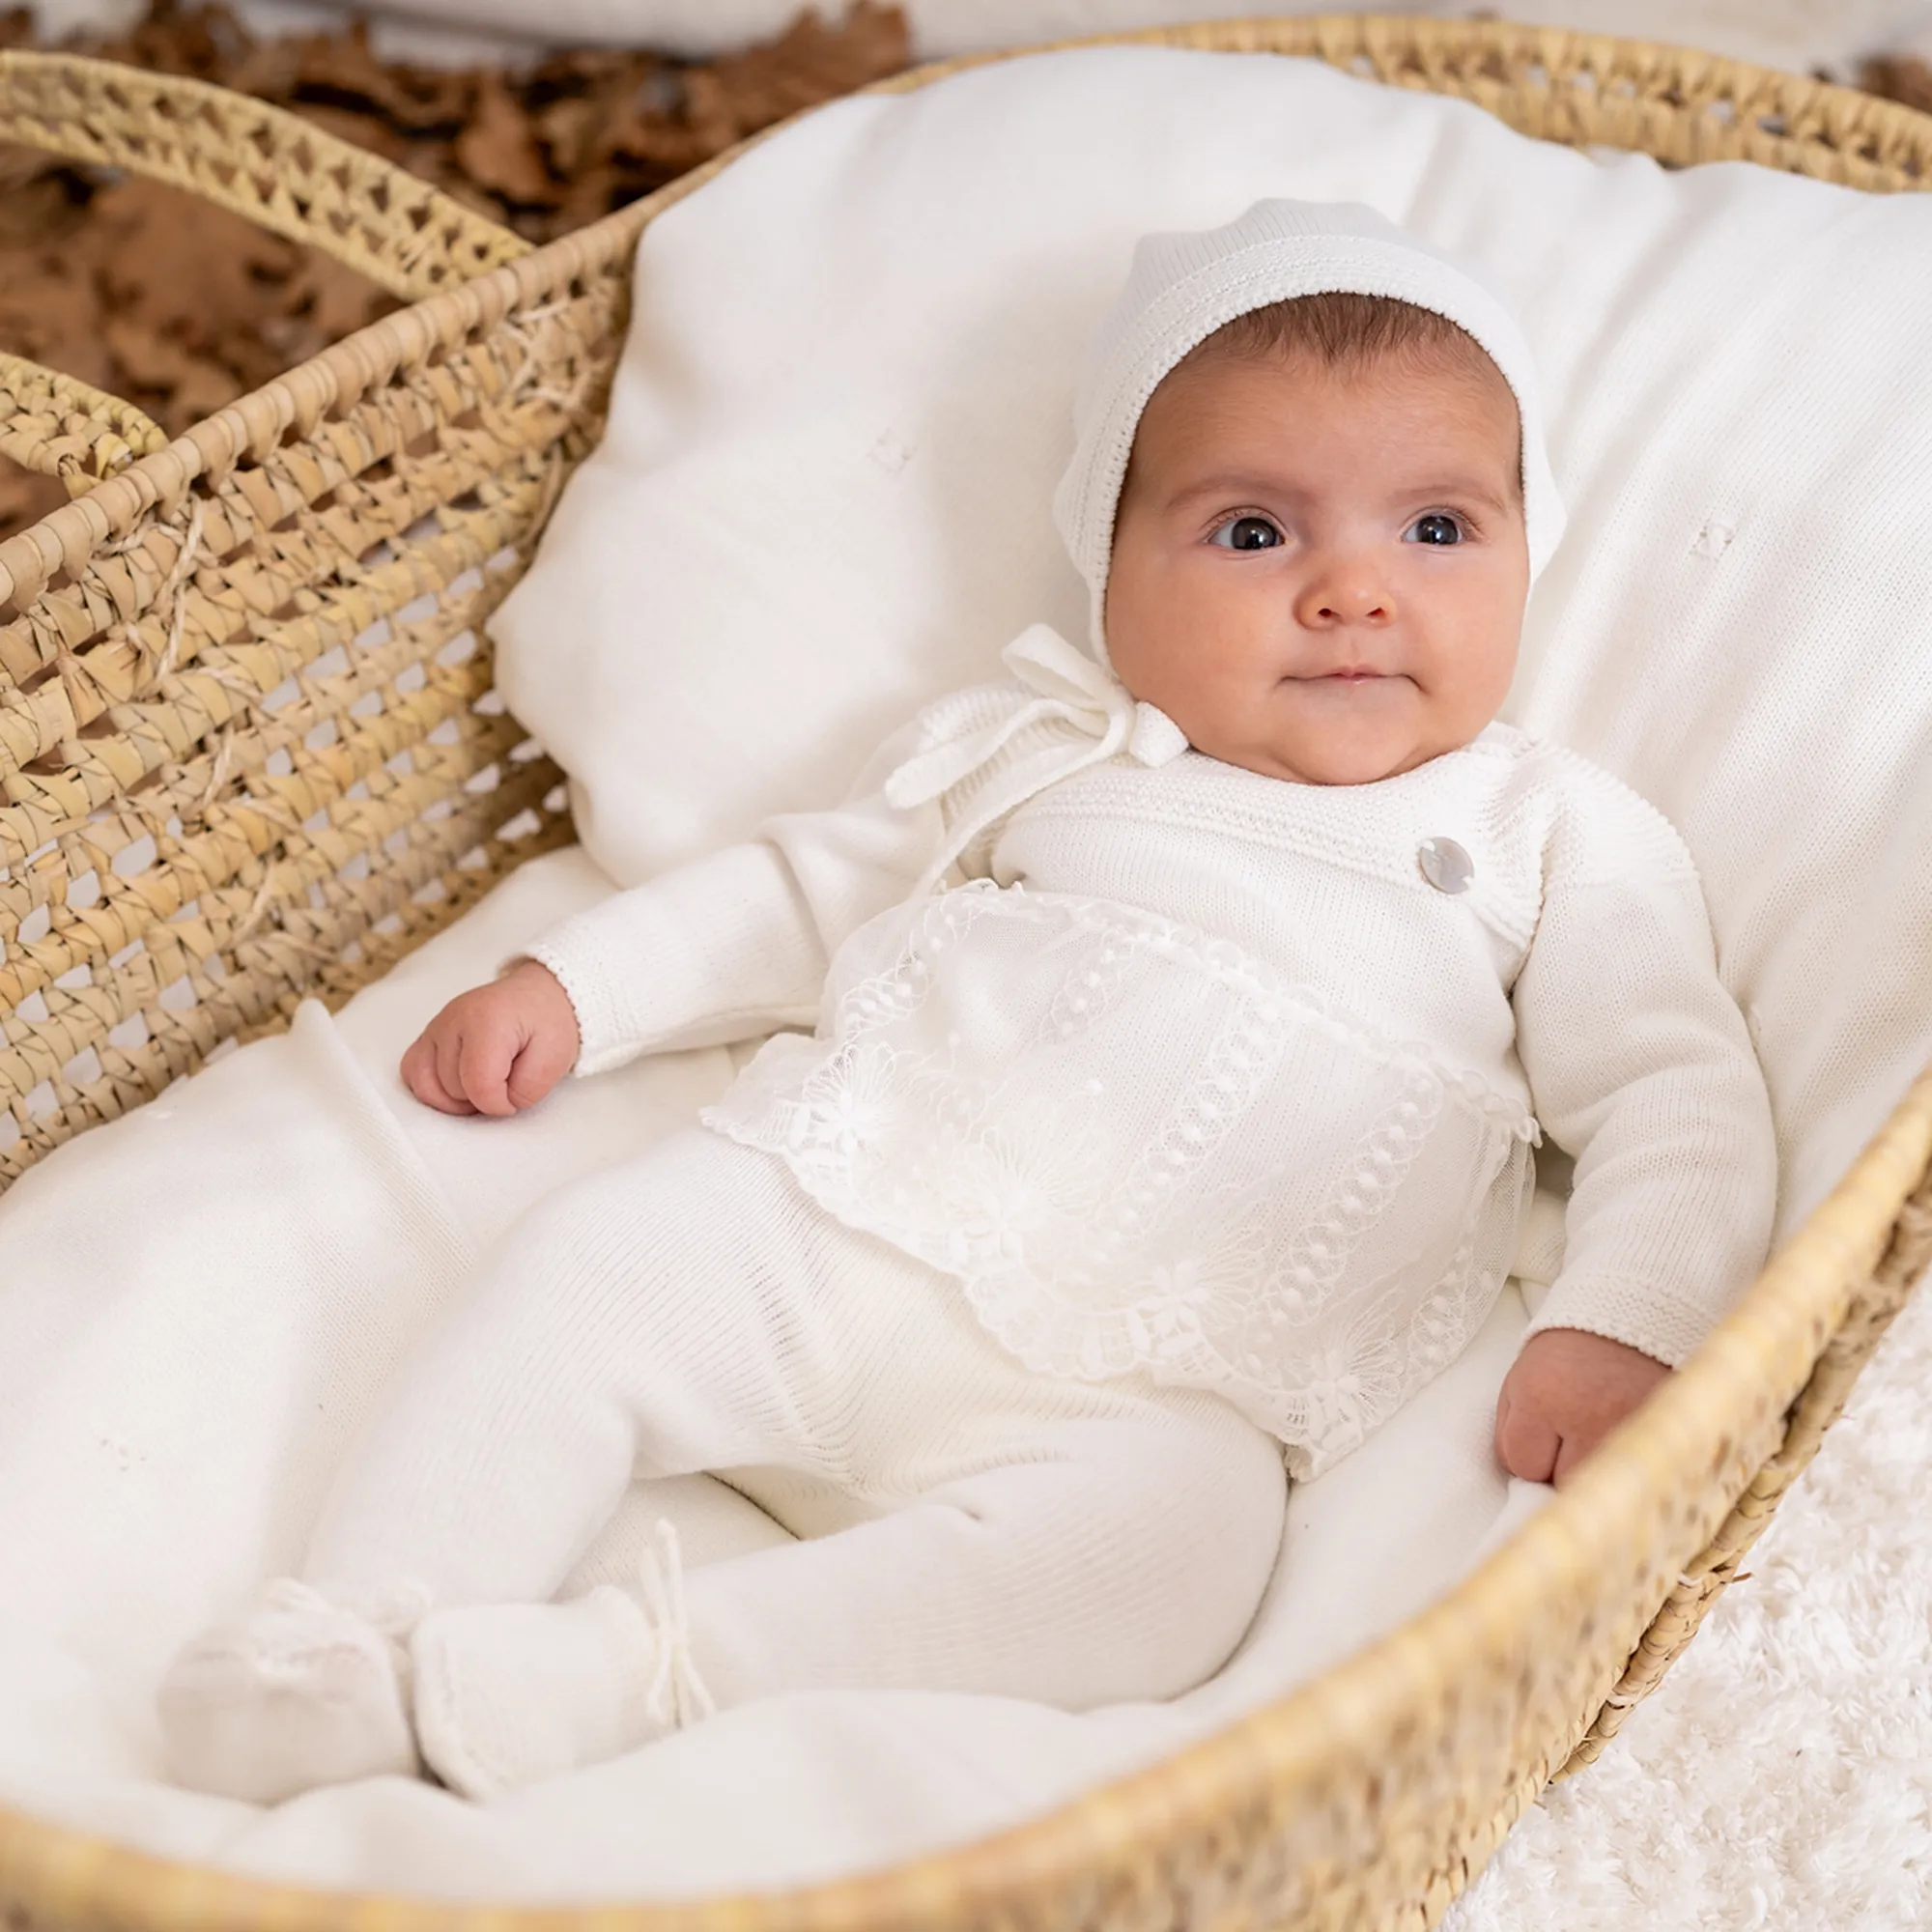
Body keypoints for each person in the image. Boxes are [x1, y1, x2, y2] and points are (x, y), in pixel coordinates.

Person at [156, 199, 1776, 1807]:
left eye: (1435, 530)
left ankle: (603, 1684)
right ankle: (357, 1635)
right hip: (832, 1227)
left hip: (1149, 1384)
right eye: (1253, 532)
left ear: (1522, 552)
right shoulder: (1045, 748)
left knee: (1175, 1570)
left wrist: (1622, 1318)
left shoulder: (1545, 831)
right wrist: (584, 986)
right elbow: (807, 889)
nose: (1352, 591)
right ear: (1112, 571)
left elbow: (1670, 1089)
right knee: (585, 1273)